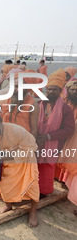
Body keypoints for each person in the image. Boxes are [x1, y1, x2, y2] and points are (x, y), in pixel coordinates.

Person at [37, 69, 75, 196]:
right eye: (49, 89)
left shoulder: (66, 109)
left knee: (46, 169)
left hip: (52, 144)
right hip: (36, 142)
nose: (51, 92)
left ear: (60, 91)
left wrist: (48, 136)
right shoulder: (38, 104)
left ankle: (43, 192)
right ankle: (30, 190)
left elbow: (69, 130)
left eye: (55, 89)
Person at [57, 80, 77, 215]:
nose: (74, 92)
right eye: (72, 90)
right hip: (67, 137)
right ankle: (64, 180)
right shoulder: (64, 102)